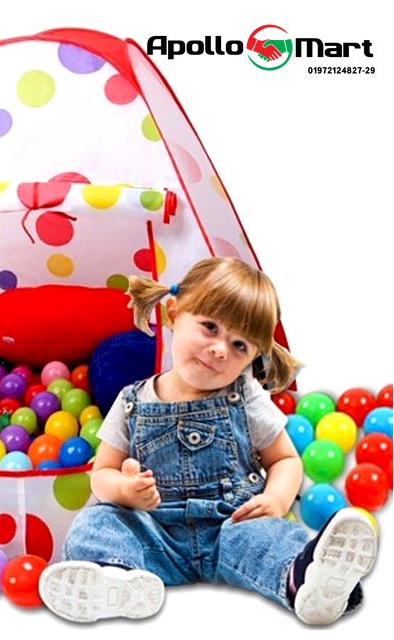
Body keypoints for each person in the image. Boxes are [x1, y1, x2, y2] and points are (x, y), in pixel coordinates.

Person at [39, 256, 377, 625]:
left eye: (239, 345)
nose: (220, 349)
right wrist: (124, 490)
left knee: (270, 537)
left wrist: (276, 499)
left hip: (232, 526)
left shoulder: (245, 395)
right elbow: (102, 472)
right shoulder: (130, 401)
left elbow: (284, 459)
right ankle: (114, 577)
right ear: (173, 314)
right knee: (97, 521)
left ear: (252, 357)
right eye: (210, 327)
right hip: (157, 535)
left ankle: (306, 581)